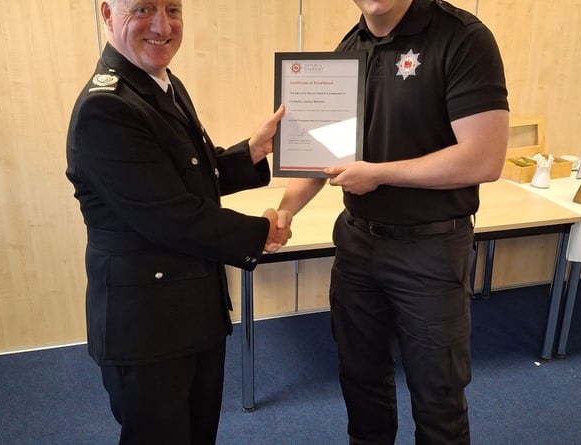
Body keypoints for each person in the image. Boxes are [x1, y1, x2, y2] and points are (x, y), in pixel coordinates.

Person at [276, 0, 509, 443]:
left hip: (431, 252)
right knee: (360, 380)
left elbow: (484, 157)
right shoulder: (349, 48)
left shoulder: (462, 38)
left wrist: (380, 174)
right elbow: (324, 152)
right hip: (357, 246)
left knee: (438, 395)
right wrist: (286, 210)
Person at [65, 1, 289, 443]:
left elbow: (188, 175)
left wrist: (252, 152)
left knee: (197, 432)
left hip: (192, 308)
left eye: (172, 8)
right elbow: (172, 216)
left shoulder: (160, 83)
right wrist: (260, 232)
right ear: (108, 14)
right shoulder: (105, 110)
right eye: (144, 8)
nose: (162, 26)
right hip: (148, 328)